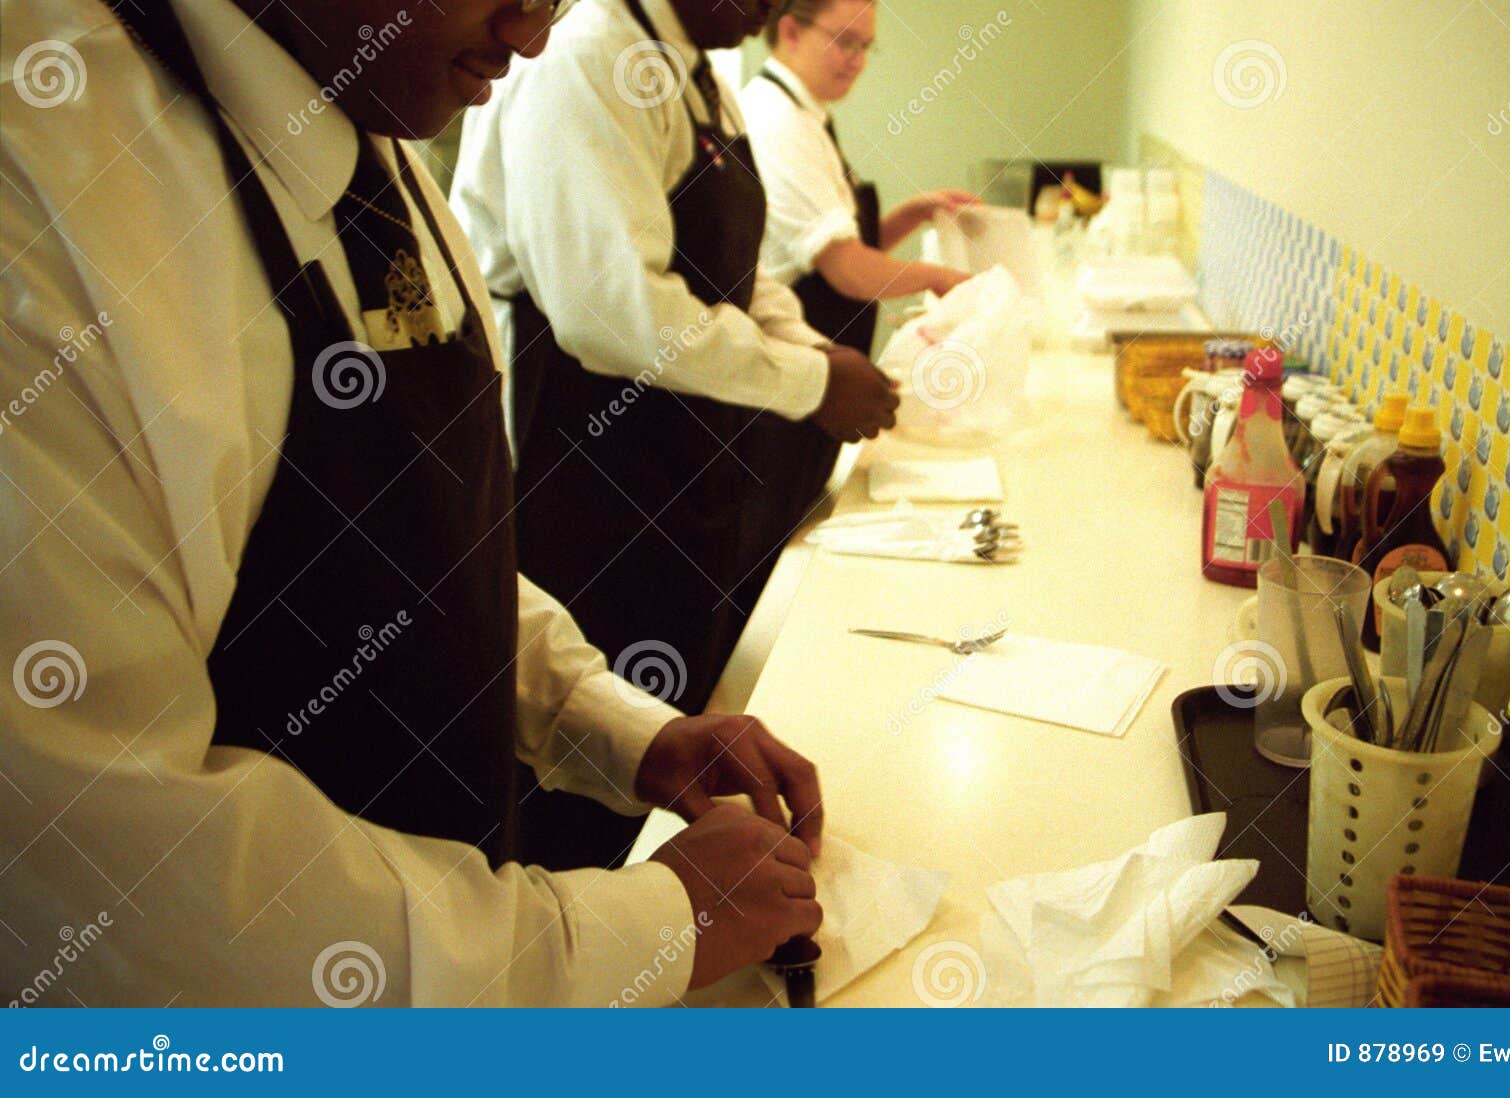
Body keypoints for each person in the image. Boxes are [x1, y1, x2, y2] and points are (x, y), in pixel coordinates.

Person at [0, 0, 822, 1007]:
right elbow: (120, 876)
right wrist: (644, 928)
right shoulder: (48, 192)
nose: (530, 31)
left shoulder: (367, 121)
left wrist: (612, 726)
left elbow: (419, 554)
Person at [450, 0, 897, 866]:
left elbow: (742, 269)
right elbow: (611, 312)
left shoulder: (701, 77)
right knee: (589, 782)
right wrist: (809, 383)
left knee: (686, 731)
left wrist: (812, 348)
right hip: (593, 478)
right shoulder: (585, 57)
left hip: (691, 471)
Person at [739, 0, 977, 540]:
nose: (856, 60)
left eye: (865, 46)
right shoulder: (778, 123)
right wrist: (942, 279)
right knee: (770, 544)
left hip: (819, 384)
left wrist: (908, 216)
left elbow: (832, 246)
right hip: (790, 386)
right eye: (845, 41)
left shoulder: (808, 115)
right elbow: (847, 271)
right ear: (792, 31)